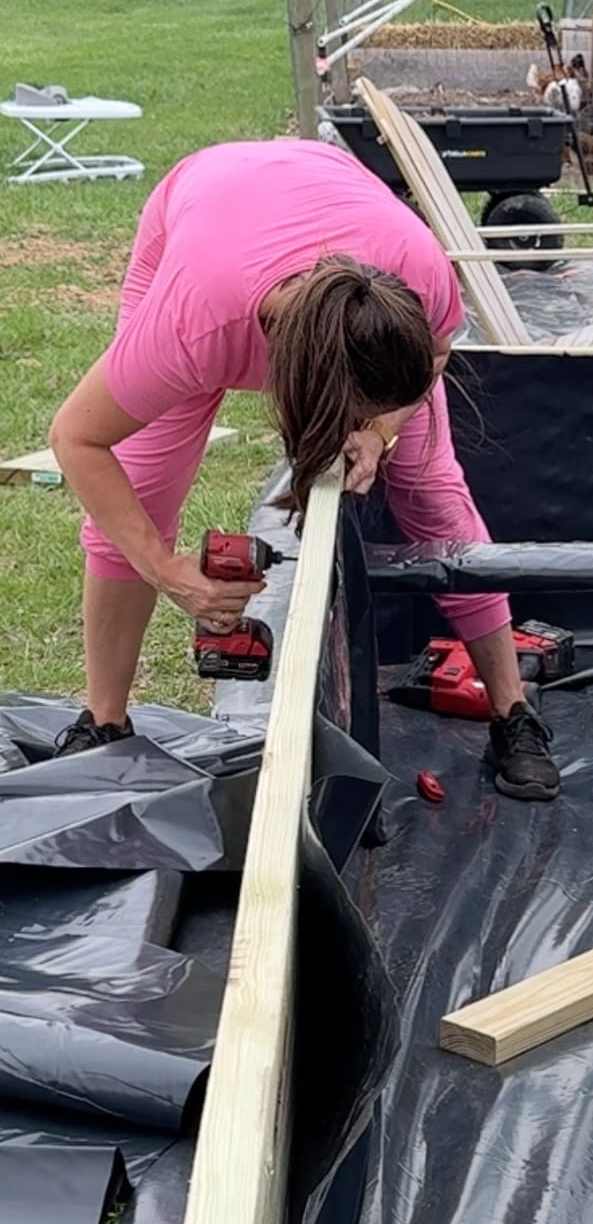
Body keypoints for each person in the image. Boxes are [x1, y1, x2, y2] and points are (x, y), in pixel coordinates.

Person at [48, 139, 559, 801]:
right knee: (140, 491)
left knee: (430, 488)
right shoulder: (192, 327)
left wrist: (380, 431)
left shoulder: (414, 270)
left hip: (315, 193)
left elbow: (434, 355)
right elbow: (77, 439)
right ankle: (104, 720)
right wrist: (165, 569)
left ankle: (512, 711)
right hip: (202, 205)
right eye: (351, 412)